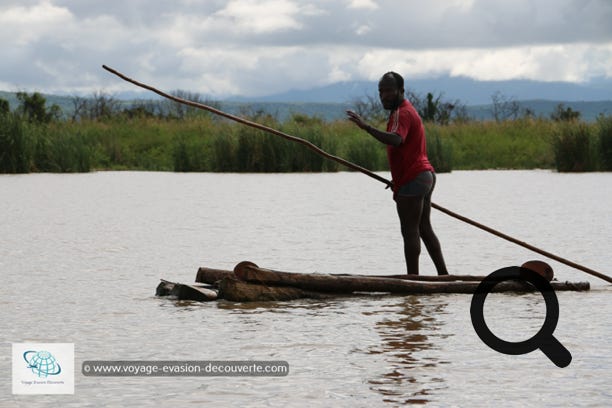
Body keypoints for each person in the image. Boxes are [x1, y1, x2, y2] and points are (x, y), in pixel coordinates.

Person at [346, 72, 448, 275]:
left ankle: (413, 281)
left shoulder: (403, 112)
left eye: (389, 91)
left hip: (415, 178)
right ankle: (444, 276)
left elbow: (396, 140)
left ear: (401, 91)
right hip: (422, 177)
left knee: (410, 231)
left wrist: (366, 127)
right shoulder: (401, 112)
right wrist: (398, 179)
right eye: (381, 91)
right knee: (424, 229)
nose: (384, 95)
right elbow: (406, 149)